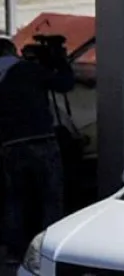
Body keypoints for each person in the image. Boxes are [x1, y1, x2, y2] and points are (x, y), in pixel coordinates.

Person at [0, 35, 75, 265]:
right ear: (11, 52)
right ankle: (48, 248)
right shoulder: (26, 70)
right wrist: (59, 61)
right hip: (40, 140)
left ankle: (13, 251)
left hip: (9, 145)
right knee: (50, 196)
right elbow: (65, 83)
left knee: (15, 199)